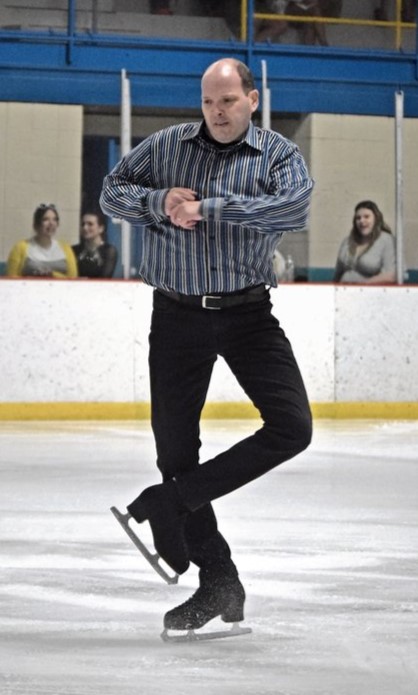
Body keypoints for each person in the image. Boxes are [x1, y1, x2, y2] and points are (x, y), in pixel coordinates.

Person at [100, 58, 313, 636]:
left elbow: (293, 208)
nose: (217, 113)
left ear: (252, 98)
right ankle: (217, 576)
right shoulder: (168, 145)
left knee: (293, 427)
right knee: (175, 451)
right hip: (176, 316)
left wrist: (210, 208)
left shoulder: (276, 156)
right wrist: (158, 200)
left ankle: (173, 502)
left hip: (248, 315)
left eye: (228, 101)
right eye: (208, 103)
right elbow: (111, 192)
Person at [6, 203, 77, 278]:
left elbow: (73, 279)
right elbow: (11, 279)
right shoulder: (20, 247)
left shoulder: (66, 248)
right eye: (45, 219)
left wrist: (52, 275)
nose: (51, 223)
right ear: (36, 224)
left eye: (54, 219)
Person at [334, 200, 396, 284]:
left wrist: (363, 285)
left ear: (376, 218)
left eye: (366, 217)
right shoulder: (347, 241)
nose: (362, 221)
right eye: (358, 218)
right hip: (343, 292)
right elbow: (338, 274)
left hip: (371, 294)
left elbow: (391, 275)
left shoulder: (386, 240)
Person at [72, 210, 118, 278]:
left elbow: (105, 278)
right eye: (83, 224)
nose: (85, 228)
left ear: (101, 228)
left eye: (90, 224)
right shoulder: (74, 250)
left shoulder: (108, 251)